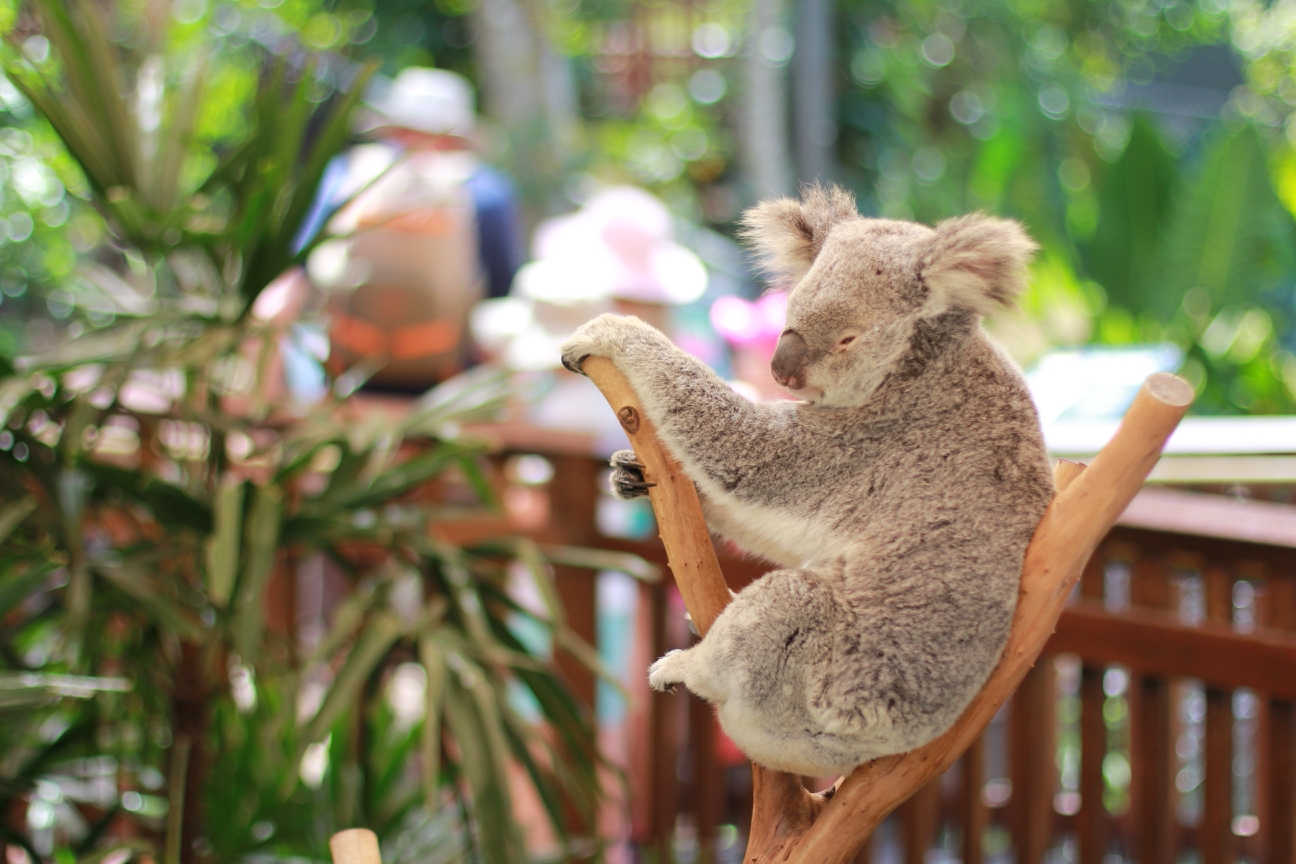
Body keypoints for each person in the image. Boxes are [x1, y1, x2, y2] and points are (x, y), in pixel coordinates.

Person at [303, 67, 524, 391]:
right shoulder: (487, 190)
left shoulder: (346, 176)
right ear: (458, 134)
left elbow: (303, 265)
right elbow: (502, 286)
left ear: (394, 127)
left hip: (344, 369)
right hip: (446, 376)